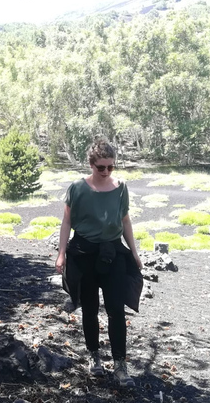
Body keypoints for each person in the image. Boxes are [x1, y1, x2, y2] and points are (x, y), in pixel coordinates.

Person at [54, 138, 143, 388]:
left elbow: (125, 221)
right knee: (90, 308)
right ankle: (94, 357)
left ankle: (120, 364)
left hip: (112, 252)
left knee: (116, 309)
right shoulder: (77, 188)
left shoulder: (121, 187)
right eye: (101, 167)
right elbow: (66, 223)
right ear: (91, 164)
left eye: (110, 167)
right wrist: (61, 253)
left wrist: (134, 252)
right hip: (84, 253)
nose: (106, 172)